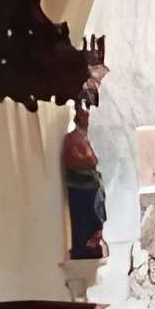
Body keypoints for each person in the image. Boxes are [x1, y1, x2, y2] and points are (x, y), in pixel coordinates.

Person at [61, 102, 107, 259]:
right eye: (85, 116)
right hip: (81, 188)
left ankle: (92, 241)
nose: (88, 120)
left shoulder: (84, 138)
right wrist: (90, 160)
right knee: (85, 218)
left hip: (90, 186)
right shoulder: (73, 138)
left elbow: (93, 160)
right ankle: (84, 245)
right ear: (78, 119)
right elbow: (84, 160)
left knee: (96, 215)